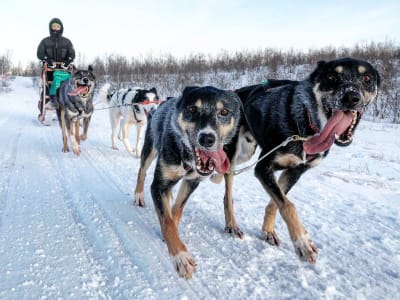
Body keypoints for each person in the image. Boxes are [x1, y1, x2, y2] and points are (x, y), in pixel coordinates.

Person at [37, 17, 75, 113]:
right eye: (53, 26)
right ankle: (48, 102)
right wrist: (47, 60)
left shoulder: (67, 42)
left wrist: (67, 62)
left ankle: (64, 101)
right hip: (49, 70)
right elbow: (40, 53)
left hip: (64, 70)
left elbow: (72, 54)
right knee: (48, 85)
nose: (55, 28)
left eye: (58, 26)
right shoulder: (45, 41)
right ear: (50, 27)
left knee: (66, 81)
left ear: (61, 28)